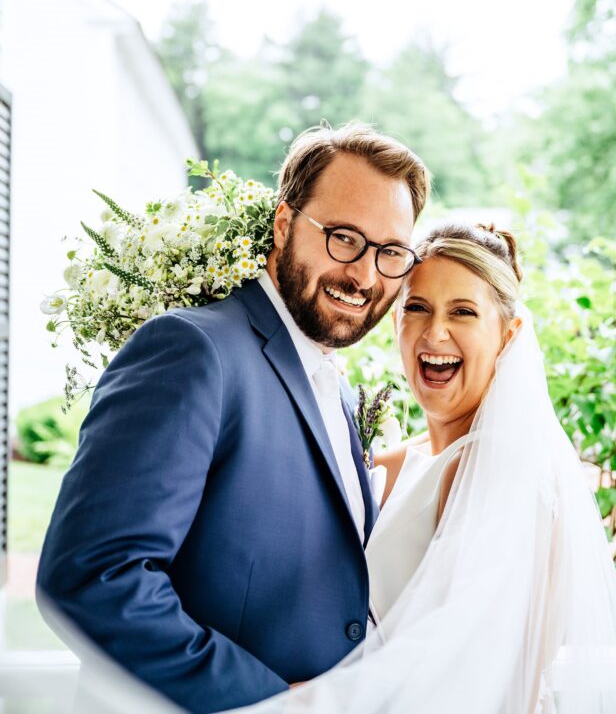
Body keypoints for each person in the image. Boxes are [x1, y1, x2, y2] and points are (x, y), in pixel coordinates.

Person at [36, 123, 430, 713]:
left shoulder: (342, 396)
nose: (365, 275)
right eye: (344, 237)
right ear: (283, 223)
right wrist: (270, 702)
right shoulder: (193, 351)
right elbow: (94, 577)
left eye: (390, 252)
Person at [241, 222, 616, 714]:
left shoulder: (506, 474)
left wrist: (260, 701)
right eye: (416, 307)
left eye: (463, 312)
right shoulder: (388, 464)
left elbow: (452, 674)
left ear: (508, 335)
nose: (435, 333)